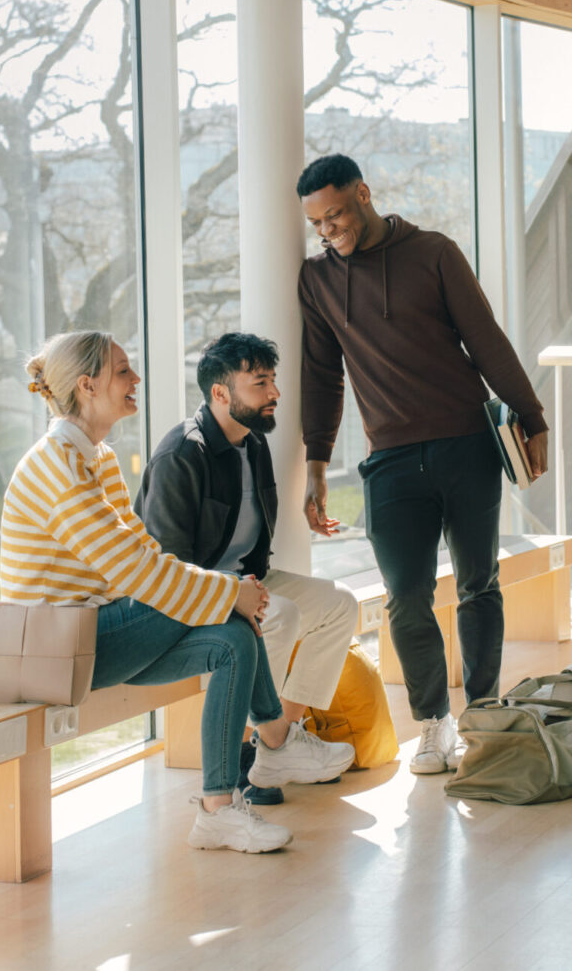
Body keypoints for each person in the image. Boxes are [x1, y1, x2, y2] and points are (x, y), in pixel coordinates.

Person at [1, 331, 346, 855]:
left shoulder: (97, 459)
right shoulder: (59, 465)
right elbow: (136, 570)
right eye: (123, 371)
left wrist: (229, 596)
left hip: (102, 629)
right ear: (88, 386)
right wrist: (229, 592)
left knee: (234, 640)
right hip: (62, 646)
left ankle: (219, 809)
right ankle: (275, 739)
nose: (135, 379)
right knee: (235, 617)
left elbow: (140, 561)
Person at [296, 153, 549, 775]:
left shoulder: (435, 252)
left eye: (335, 215)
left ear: (364, 192)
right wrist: (317, 463)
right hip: (390, 460)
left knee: (478, 583)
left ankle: (483, 711)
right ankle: (434, 723)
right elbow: (322, 376)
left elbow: (485, 338)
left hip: (467, 444)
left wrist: (531, 416)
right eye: (318, 224)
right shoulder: (318, 280)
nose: (329, 231)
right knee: (404, 597)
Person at [139, 332, 358, 804]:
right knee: (278, 614)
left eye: (272, 381)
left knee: (339, 605)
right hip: (193, 597)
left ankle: (276, 742)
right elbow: (165, 568)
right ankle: (248, 754)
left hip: (245, 581)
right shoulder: (181, 455)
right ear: (221, 394)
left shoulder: (253, 445)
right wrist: (232, 593)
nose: (275, 393)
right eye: (260, 383)